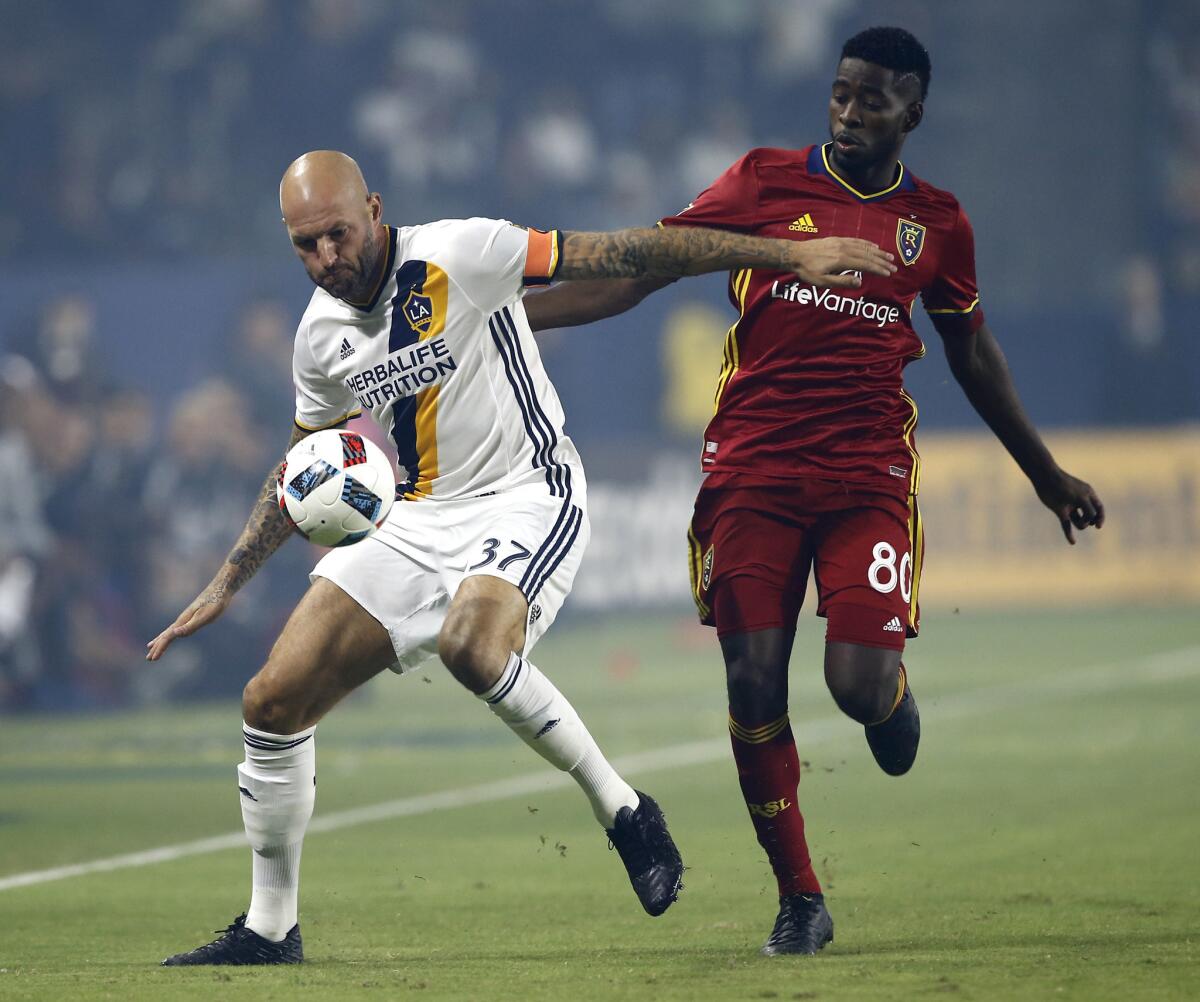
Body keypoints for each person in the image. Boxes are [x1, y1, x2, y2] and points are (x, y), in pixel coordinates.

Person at [147, 149, 895, 965]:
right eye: (305, 245)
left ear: (374, 208)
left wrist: (790, 255)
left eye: (336, 233)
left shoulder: (463, 251)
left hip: (527, 492)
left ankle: (624, 811)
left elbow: (633, 252)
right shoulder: (318, 338)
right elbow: (304, 460)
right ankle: (269, 929)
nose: (326, 258)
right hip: (418, 515)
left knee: (475, 648)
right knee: (270, 700)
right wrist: (227, 579)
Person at [521, 26, 1105, 956]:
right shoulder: (761, 183)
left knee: (854, 686)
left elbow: (973, 352)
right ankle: (801, 898)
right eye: (839, 92)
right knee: (753, 678)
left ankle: (889, 694)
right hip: (751, 470)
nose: (847, 109)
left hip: (867, 476)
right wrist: (514, 315)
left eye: (871, 98)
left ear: (912, 112)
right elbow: (646, 269)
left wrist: (1045, 474)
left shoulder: (938, 224)